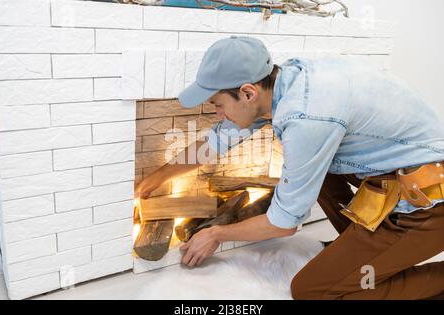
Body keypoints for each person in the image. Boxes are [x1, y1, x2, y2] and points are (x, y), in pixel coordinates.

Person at [135, 36, 444, 299]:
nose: (217, 114)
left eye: (218, 105)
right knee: (310, 173)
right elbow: (217, 141)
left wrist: (216, 234)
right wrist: (155, 179)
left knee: (313, 290)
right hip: (395, 177)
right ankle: (358, 251)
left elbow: (284, 225)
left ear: (247, 93)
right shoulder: (286, 81)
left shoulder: (306, 118)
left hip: (426, 207)